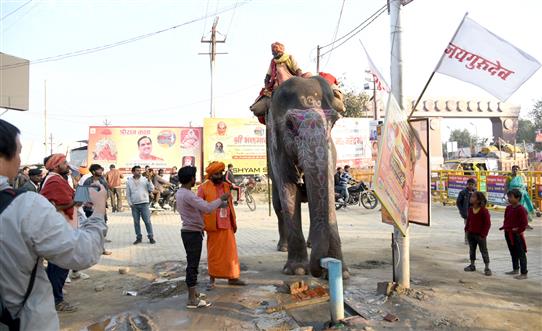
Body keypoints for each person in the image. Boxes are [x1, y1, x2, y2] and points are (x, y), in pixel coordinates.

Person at [0, 119, 107, 330]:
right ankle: (58, 298)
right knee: (59, 269)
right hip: (24, 320)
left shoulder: (60, 180)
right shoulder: (27, 203)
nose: (20, 159)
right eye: (19, 152)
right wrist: (99, 210)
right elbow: (82, 252)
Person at [176, 166, 229, 309]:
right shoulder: (188, 195)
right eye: (194, 177)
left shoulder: (181, 192)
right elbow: (207, 208)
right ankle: (191, 300)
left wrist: (218, 203)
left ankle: (193, 294)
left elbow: (202, 208)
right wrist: (221, 199)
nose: (195, 179)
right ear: (191, 179)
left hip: (190, 231)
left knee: (192, 264)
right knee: (192, 266)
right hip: (192, 233)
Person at [40, 154, 83, 312]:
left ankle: (53, 295)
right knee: (61, 264)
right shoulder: (54, 180)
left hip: (62, 227)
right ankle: (56, 300)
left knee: (56, 265)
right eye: (64, 163)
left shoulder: (57, 179)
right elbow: (59, 205)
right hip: (60, 228)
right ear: (56, 166)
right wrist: (76, 201)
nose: (67, 165)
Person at [198, 161, 245, 289]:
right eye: (216, 174)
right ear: (211, 175)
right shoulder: (203, 188)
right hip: (212, 225)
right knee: (214, 254)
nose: (219, 176)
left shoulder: (225, 186)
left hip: (227, 224)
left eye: (221, 173)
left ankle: (233, 278)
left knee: (230, 254)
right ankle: (212, 279)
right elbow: (199, 208)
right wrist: (200, 225)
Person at [500, 189, 529, 280]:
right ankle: (515, 269)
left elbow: (524, 223)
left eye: (511, 197)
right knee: (512, 252)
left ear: (518, 198)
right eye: (508, 197)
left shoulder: (521, 209)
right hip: (508, 233)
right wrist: (506, 227)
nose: (509, 199)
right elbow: (506, 219)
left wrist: (518, 230)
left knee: (521, 253)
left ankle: (524, 273)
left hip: (516, 235)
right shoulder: (508, 208)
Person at [83, 164, 112, 255]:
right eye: (99, 170)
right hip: (90, 209)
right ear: (94, 171)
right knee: (91, 229)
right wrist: (89, 204)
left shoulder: (102, 180)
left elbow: (107, 192)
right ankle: (91, 250)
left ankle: (101, 249)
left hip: (101, 208)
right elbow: (83, 194)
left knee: (102, 229)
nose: (101, 171)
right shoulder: (88, 181)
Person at [463, 192, 492, 276]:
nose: (471, 198)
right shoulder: (470, 209)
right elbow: (468, 221)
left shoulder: (484, 211)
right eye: (471, 196)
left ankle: (487, 267)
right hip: (471, 234)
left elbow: (487, 224)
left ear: (478, 200)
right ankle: (472, 265)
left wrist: (483, 234)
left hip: (480, 235)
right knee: (472, 250)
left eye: (473, 197)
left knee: (484, 251)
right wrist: (466, 230)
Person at [126, 165, 156, 244]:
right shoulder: (129, 181)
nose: (139, 172)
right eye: (137, 170)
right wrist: (130, 203)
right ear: (133, 172)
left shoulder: (145, 179)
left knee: (147, 221)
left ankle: (151, 237)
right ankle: (138, 238)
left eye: (140, 170)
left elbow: (152, 189)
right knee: (136, 222)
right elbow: (128, 194)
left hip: (144, 204)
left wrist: (149, 181)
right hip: (134, 205)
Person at [457, 178, 476, 244]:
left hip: (475, 212)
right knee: (468, 226)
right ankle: (467, 239)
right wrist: (462, 211)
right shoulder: (463, 193)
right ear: (467, 185)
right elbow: (458, 202)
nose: (471, 186)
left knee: (474, 226)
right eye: (469, 184)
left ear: (474, 185)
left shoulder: (476, 192)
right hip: (467, 213)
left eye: (472, 184)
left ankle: (473, 239)